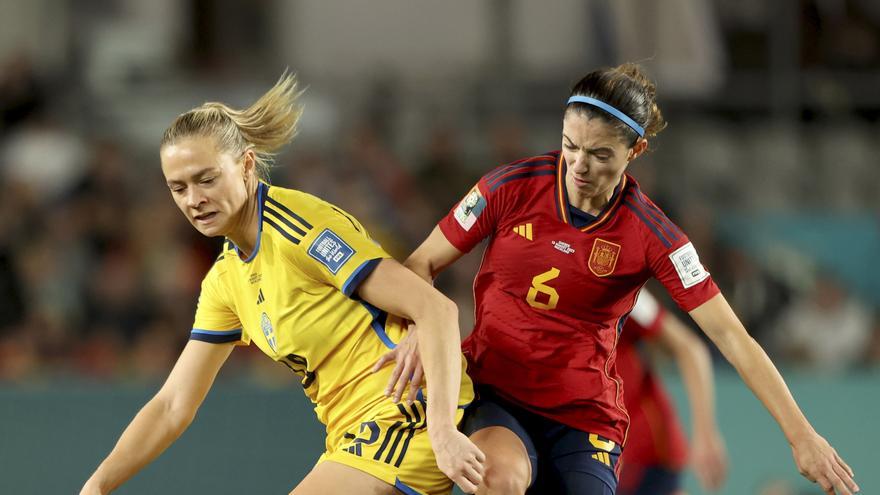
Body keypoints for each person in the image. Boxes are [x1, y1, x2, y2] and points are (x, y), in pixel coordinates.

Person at [377, 63, 859, 495]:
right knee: (499, 479)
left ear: (637, 150)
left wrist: (802, 436)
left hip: (584, 417)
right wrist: (420, 326)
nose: (579, 166)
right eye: (570, 145)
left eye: (600, 153)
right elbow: (419, 264)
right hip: (495, 391)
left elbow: (731, 336)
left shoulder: (654, 236)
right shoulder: (511, 186)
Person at [79, 74, 485, 495]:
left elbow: (437, 310)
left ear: (247, 164)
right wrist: (95, 487)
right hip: (350, 435)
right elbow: (171, 405)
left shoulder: (298, 226)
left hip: (407, 412)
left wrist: (442, 433)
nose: (192, 199)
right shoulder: (225, 279)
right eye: (177, 188)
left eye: (206, 179)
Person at [615, 288, 727, 495]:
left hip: (645, 452)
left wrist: (704, 433)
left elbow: (690, 348)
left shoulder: (618, 289)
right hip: (592, 448)